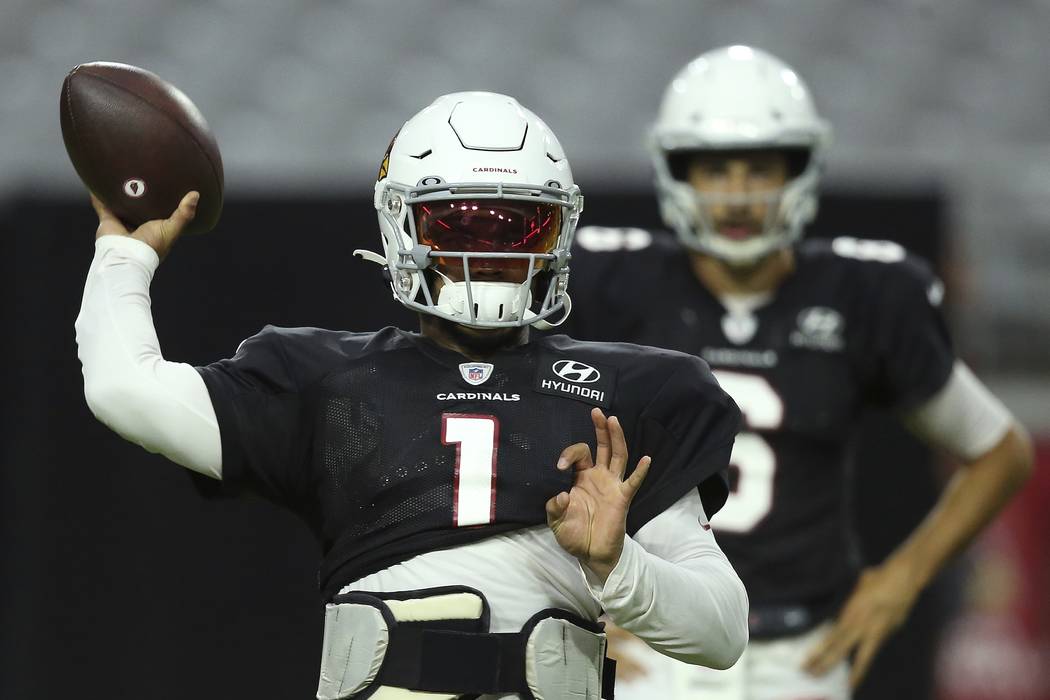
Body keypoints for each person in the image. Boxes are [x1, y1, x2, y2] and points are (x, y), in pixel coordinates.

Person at [74, 91, 749, 699]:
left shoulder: (633, 394)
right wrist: (124, 252)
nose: (487, 256)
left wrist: (617, 563)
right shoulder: (322, 378)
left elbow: (721, 634)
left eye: (519, 228)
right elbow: (125, 388)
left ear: (560, 231)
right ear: (403, 227)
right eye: (458, 227)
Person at [561, 46, 1034, 699]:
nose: (737, 193)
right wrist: (567, 600)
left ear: (801, 169)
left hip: (800, 653)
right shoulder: (613, 281)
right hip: (652, 639)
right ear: (675, 171)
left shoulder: (864, 294)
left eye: (759, 168)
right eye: (716, 168)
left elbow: (1000, 451)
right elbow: (511, 437)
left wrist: (903, 578)